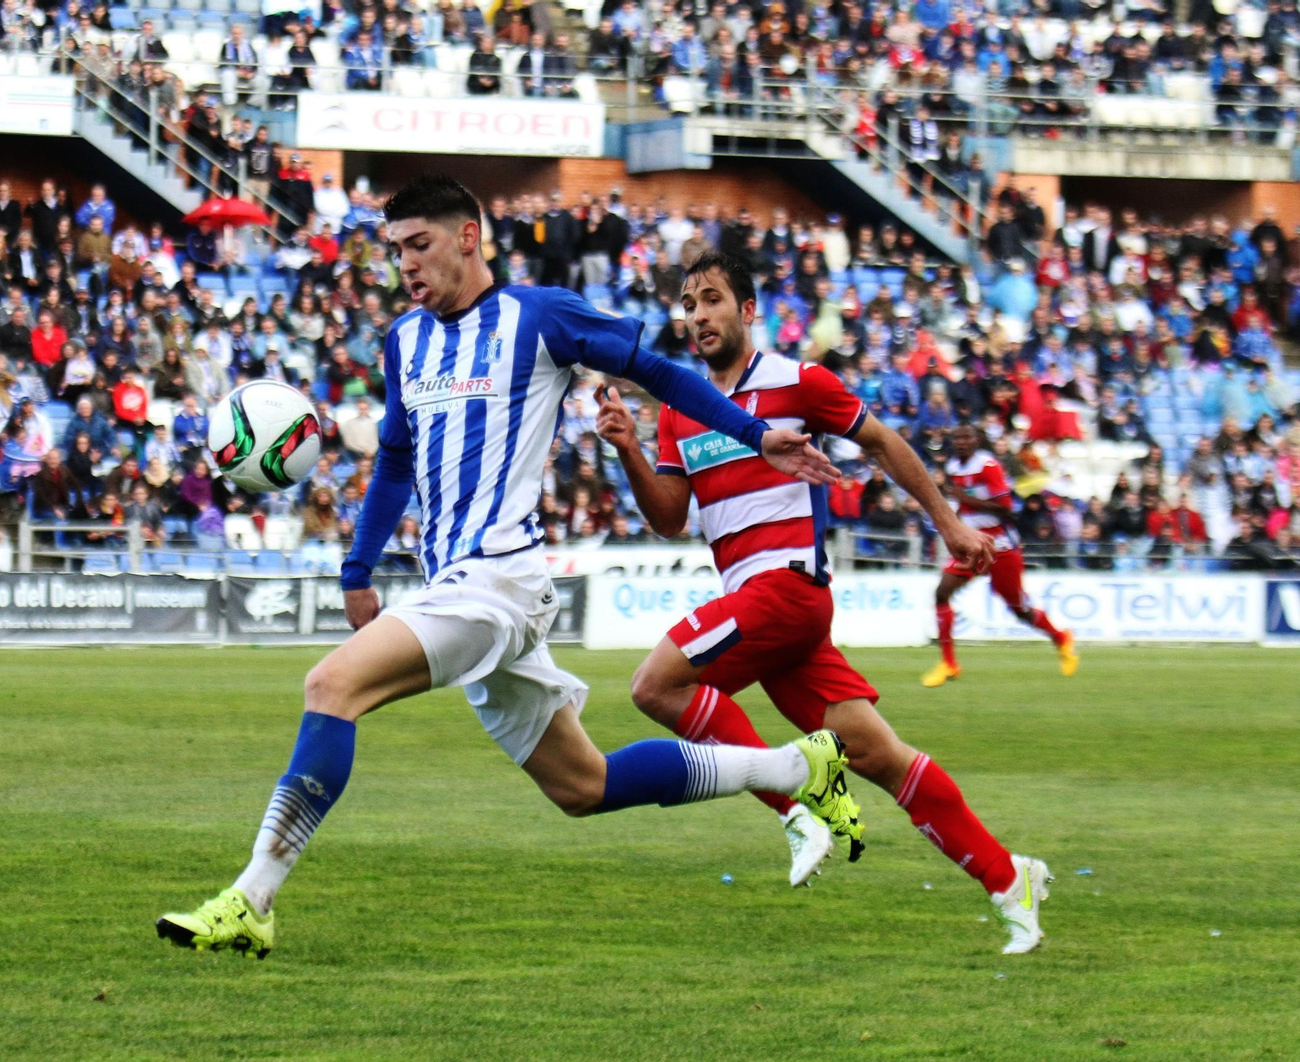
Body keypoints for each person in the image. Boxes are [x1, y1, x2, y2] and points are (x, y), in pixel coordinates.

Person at [155, 174, 852, 957]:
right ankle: (795, 766)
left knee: (330, 685)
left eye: (419, 246)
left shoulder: (539, 315)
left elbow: (661, 373)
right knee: (582, 786)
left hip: (501, 578)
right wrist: (357, 570)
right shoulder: (404, 342)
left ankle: (253, 896)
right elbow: (393, 461)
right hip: (460, 583)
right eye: (395, 252)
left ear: (467, 237)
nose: (406, 267)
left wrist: (754, 434)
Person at [597, 252, 1051, 954]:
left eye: (712, 299)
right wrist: (628, 447)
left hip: (785, 588)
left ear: (748, 311)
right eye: (689, 304)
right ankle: (1006, 877)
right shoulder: (680, 408)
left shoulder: (797, 381)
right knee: (881, 754)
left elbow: (882, 441)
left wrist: (950, 524)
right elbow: (668, 518)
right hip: (764, 613)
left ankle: (800, 806)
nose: (698, 316)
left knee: (656, 683)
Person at [924, 424, 1079, 688]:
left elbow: (1007, 509)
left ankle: (1061, 638)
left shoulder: (988, 466)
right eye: (957, 437)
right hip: (973, 542)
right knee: (941, 592)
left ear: (977, 440)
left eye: (967, 437)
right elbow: (962, 505)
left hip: (1000, 546)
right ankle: (949, 663)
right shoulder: (953, 467)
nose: (961, 442)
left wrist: (967, 501)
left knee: (1019, 609)